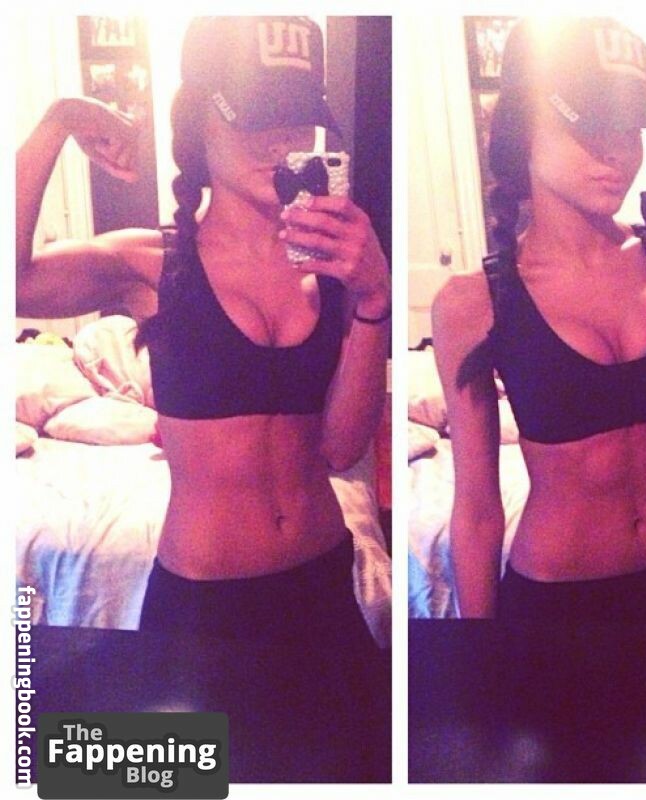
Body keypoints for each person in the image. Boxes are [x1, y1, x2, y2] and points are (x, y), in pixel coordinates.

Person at [16, 16, 390, 650]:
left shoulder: (334, 264)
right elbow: (16, 282)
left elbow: (340, 446)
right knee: (195, 725)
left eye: (296, 118)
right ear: (199, 125)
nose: (281, 141)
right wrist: (60, 120)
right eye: (257, 116)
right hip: (204, 604)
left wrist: (375, 298)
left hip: (324, 580)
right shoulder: (155, 264)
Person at [432, 18, 646, 625]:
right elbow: (476, 510)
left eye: (629, 129)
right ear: (523, 128)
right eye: (588, 126)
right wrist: (480, 654)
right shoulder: (473, 303)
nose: (616, 152)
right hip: (554, 609)